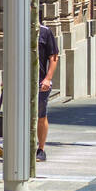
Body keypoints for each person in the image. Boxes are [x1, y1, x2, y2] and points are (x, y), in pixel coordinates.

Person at [37, 21, 59, 162]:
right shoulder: (16, 29)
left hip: (40, 82)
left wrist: (48, 78)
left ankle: (41, 149)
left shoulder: (44, 32)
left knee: (41, 116)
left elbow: (54, 57)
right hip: (19, 82)